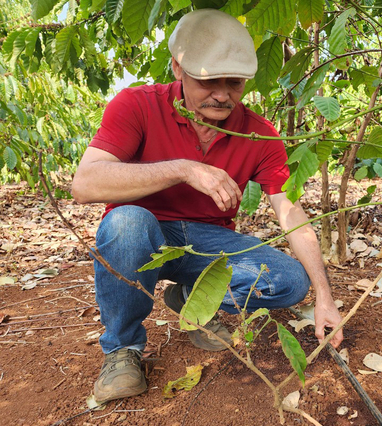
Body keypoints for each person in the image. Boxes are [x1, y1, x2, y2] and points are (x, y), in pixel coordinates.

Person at [72, 8, 344, 403]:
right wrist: (184, 169)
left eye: (233, 83)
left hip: (206, 245)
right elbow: (85, 183)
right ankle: (123, 350)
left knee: (289, 281)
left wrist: (325, 296)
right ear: (177, 68)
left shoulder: (259, 134)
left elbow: (291, 212)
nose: (221, 94)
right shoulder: (138, 105)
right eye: (208, 81)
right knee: (126, 224)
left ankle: (193, 297)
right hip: (144, 235)